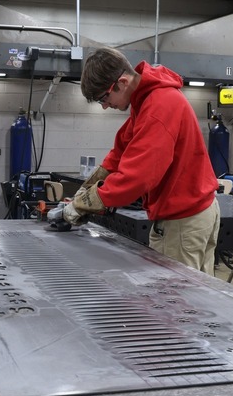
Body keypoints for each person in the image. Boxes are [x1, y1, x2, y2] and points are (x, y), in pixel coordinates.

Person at [64, 47, 221, 274]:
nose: (105, 106)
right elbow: (121, 150)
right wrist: (86, 189)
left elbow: (137, 178)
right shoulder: (147, 99)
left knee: (175, 301)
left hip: (182, 221)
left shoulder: (159, 106)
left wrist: (83, 204)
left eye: (104, 97)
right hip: (192, 214)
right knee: (197, 297)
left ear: (123, 81)